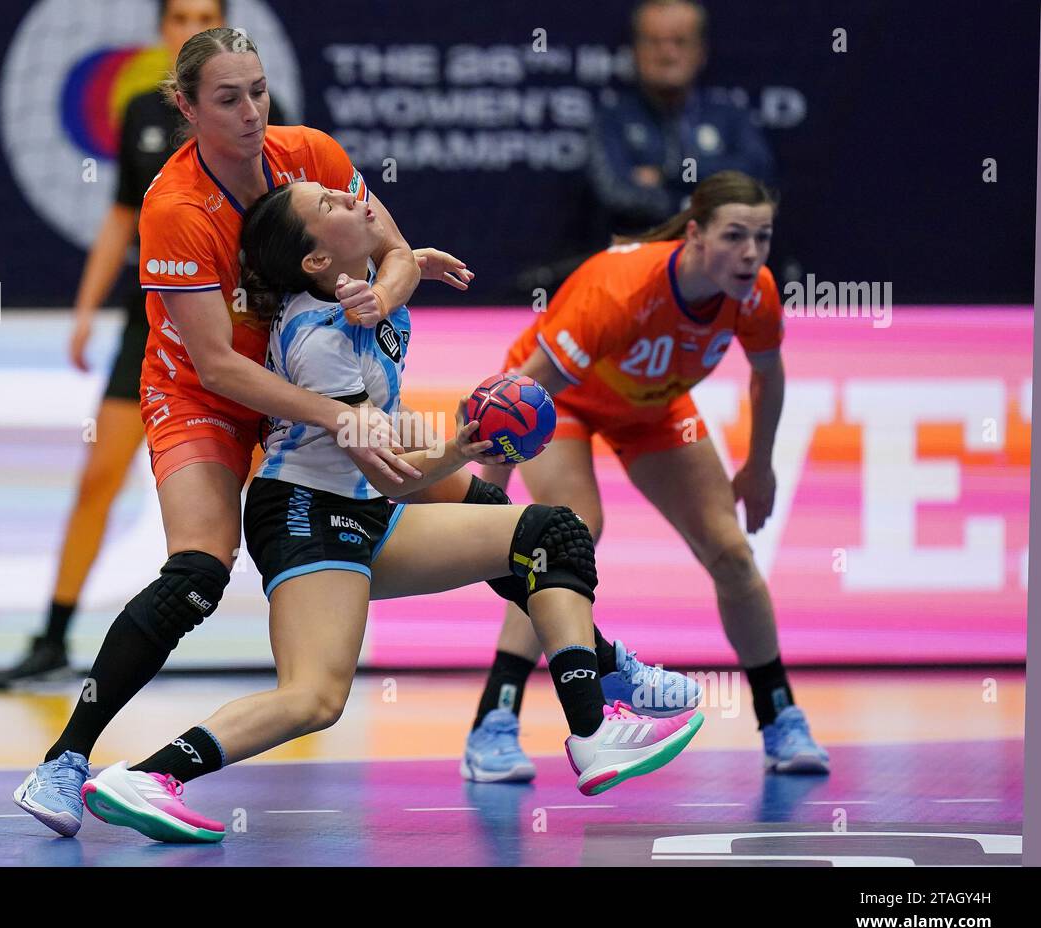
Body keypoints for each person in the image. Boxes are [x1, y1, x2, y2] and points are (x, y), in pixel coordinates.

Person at [74, 180, 704, 843]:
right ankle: (150, 777)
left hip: (362, 505)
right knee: (314, 699)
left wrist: (412, 268)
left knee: (550, 535)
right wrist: (461, 446)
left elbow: (396, 267)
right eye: (332, 207)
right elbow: (390, 469)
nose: (353, 199)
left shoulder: (370, 290)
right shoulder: (320, 341)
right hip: (307, 514)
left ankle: (594, 723)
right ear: (317, 261)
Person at [11, 26, 427, 836]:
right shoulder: (174, 206)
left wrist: (388, 293)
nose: (250, 112)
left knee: (470, 496)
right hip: (205, 393)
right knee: (200, 570)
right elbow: (219, 366)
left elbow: (398, 250)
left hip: (299, 381)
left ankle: (598, 679)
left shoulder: (309, 153)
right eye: (228, 99)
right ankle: (64, 762)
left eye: (259, 92)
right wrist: (344, 415)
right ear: (187, 107)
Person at [462, 170, 830, 779]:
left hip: (656, 411)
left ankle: (780, 716)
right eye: (734, 236)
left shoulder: (756, 292)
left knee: (733, 553)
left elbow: (769, 373)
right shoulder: (620, 289)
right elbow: (521, 395)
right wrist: (485, 490)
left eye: (762, 238)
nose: (750, 253)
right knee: (570, 535)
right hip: (561, 404)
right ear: (695, 235)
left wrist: (759, 464)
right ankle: (492, 723)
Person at [0, 0, 285, 689]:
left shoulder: (259, 111)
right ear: (162, 33)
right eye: (178, 17)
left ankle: (304, 640)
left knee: (279, 482)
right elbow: (123, 217)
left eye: (203, 16)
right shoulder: (144, 117)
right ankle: (53, 641)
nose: (189, 26)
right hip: (155, 320)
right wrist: (85, 311)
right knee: (99, 476)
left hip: (245, 323)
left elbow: (288, 231)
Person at [587, 0, 775, 234]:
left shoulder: (730, 115)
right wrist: (696, 208)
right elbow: (616, 193)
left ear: (701, 51)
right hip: (640, 256)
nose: (667, 54)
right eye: (654, 42)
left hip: (719, 262)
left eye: (680, 41)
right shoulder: (611, 118)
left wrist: (668, 174)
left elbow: (755, 176)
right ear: (635, 50)